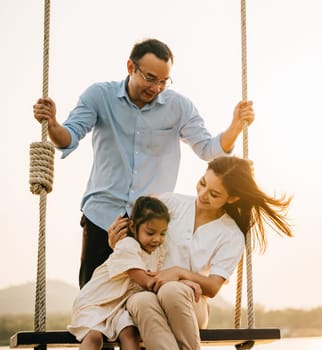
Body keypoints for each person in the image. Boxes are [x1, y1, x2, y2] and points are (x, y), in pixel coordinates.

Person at [32, 38, 255, 288]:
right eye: (150, 78)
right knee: (94, 295)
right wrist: (52, 124)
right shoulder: (99, 95)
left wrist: (235, 127)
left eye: (163, 81)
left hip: (152, 222)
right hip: (102, 216)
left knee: (144, 299)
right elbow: (68, 137)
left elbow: (208, 149)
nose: (156, 87)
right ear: (130, 67)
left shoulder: (178, 107)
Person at [108, 155, 293, 350]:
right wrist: (116, 243)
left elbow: (213, 287)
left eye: (214, 194)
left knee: (172, 290)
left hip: (191, 304)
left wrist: (180, 273)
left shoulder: (231, 235)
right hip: (149, 296)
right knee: (140, 300)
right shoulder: (171, 204)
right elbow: (136, 234)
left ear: (232, 198)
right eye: (202, 183)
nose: (203, 194)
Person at [68, 196, 184, 350]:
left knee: (130, 334)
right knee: (94, 338)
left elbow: (158, 276)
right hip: (96, 303)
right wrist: (182, 278)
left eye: (162, 233)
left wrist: (181, 280)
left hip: (119, 307)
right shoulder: (127, 246)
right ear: (133, 226)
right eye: (150, 233)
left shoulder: (158, 252)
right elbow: (147, 281)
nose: (157, 239)